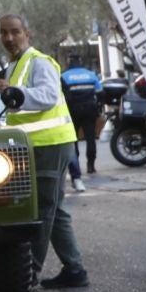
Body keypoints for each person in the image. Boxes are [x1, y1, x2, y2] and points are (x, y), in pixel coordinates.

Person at [0, 14, 90, 290]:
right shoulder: (15, 65)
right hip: (41, 146)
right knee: (55, 210)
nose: (9, 38)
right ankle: (75, 270)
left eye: (15, 32)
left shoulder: (40, 62)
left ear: (27, 34)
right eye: (4, 33)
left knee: (43, 209)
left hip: (50, 145)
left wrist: (14, 90)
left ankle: (29, 274)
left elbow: (47, 96)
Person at [60, 58, 103, 192]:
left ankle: (76, 165)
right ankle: (91, 165)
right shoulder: (90, 74)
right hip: (90, 110)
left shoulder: (65, 76)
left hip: (72, 112)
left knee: (73, 140)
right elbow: (100, 93)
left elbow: (62, 96)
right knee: (91, 137)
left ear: (69, 63)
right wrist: (99, 108)